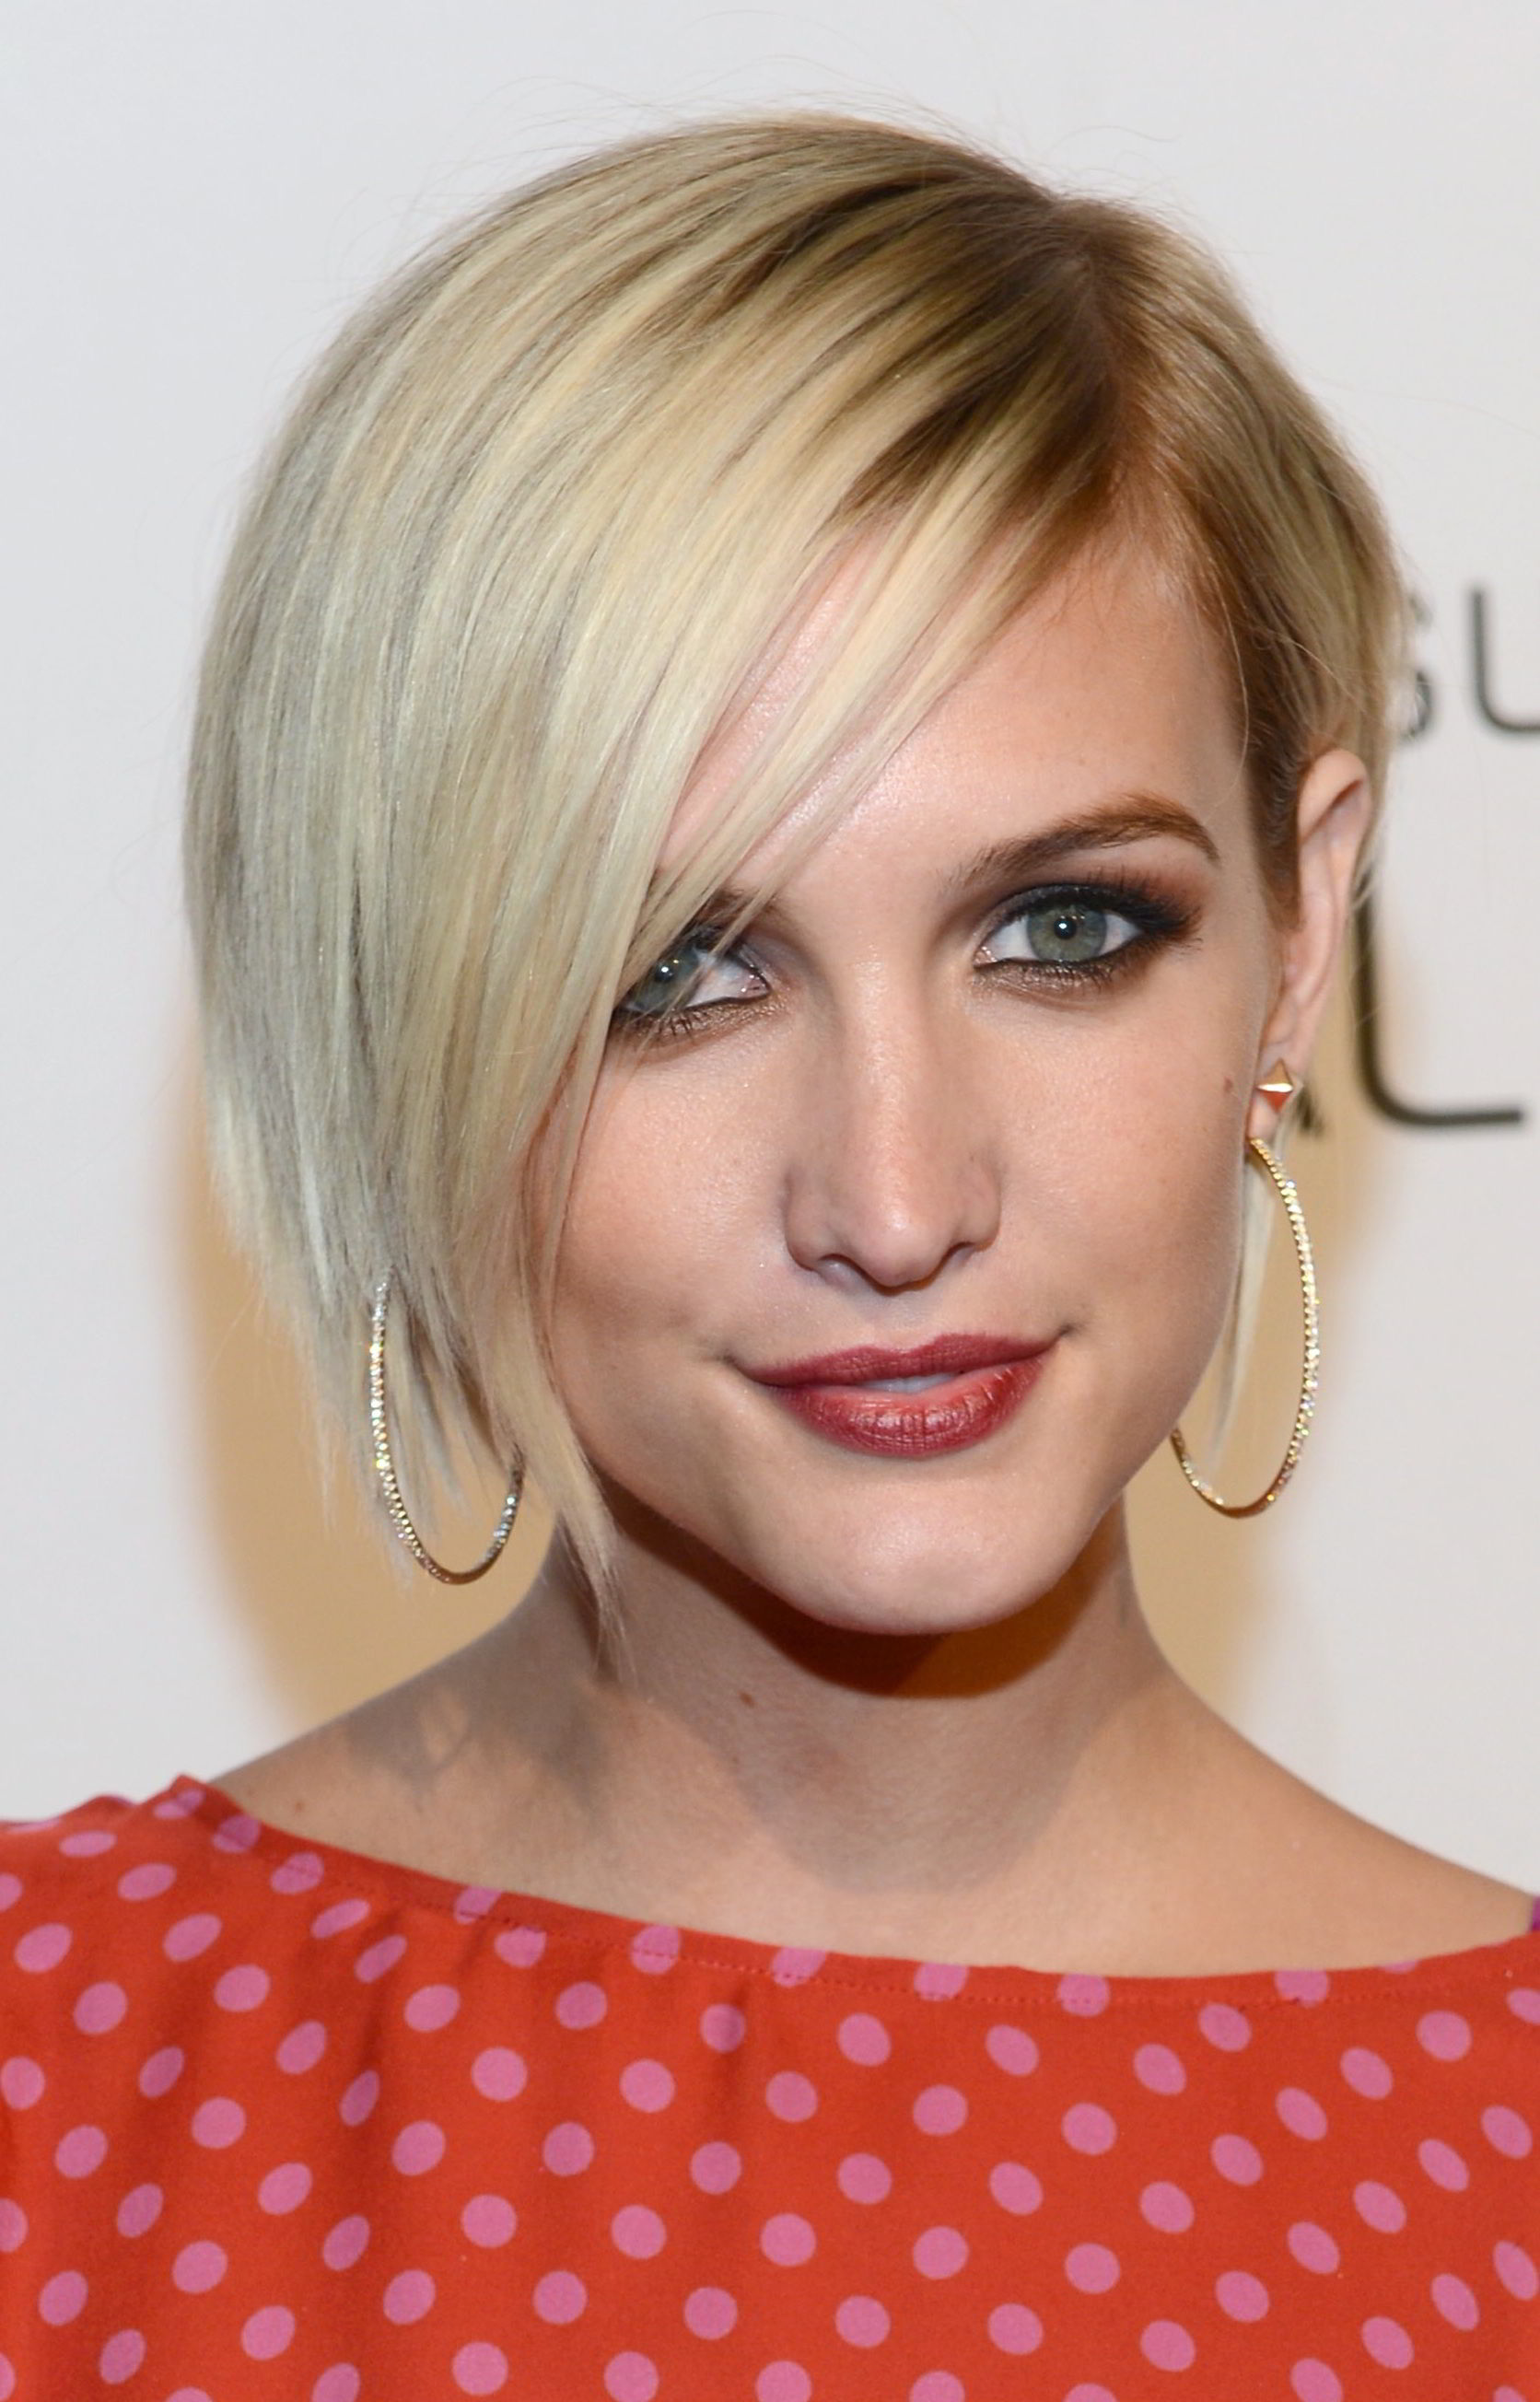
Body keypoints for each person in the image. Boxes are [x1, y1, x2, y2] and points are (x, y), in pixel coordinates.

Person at [2, 111, 1536, 2402]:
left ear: (1297, 936)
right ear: (396, 1008)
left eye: (1060, 929)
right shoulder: (57, 2090)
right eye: (676, 974)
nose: (893, 1199)